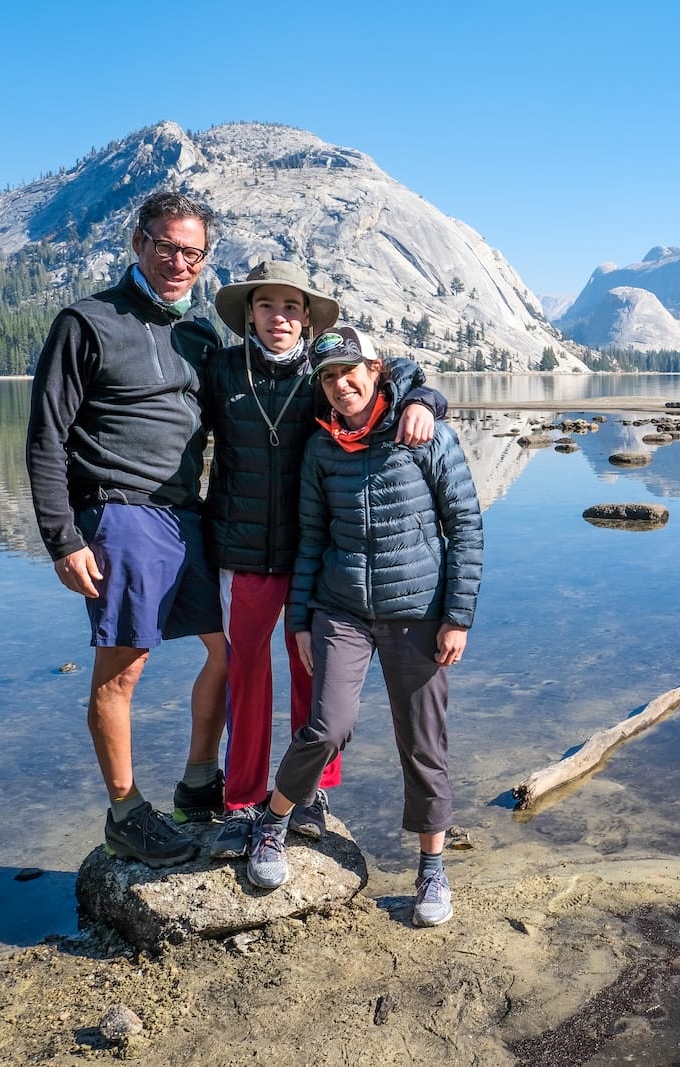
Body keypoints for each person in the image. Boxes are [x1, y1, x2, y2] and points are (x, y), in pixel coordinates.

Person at [202, 262, 448, 861]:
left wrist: (425, 401)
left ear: (307, 317)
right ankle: (242, 800)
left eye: (291, 306)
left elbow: (403, 375)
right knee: (247, 673)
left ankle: (309, 795)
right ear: (250, 315)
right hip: (244, 548)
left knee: (313, 674)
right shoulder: (221, 369)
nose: (279, 317)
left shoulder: (323, 373)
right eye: (267, 306)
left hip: (317, 550)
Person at [246, 326, 482, 929]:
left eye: (350, 371)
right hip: (341, 608)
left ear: (376, 370)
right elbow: (311, 541)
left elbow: (466, 529)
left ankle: (431, 868)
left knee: (423, 741)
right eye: (327, 377)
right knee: (327, 725)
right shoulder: (321, 448)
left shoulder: (425, 434)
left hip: (419, 611)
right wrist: (298, 621)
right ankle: (272, 821)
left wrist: (457, 617)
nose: (340, 385)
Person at [25, 191, 229, 867]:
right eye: (166, 245)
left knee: (229, 651)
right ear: (137, 241)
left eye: (192, 252)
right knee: (123, 672)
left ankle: (199, 785)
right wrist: (62, 536)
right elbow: (46, 439)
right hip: (119, 513)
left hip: (187, 517)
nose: (179, 262)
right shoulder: (86, 321)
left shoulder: (201, 335)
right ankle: (126, 811)